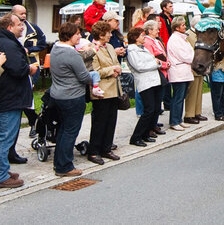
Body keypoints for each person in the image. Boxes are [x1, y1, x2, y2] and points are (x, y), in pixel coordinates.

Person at [50, 22, 93, 177]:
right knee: (70, 131)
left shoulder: (55, 48)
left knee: (63, 130)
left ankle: (59, 163)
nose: (79, 36)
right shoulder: (72, 53)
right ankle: (65, 166)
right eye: (77, 34)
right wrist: (92, 77)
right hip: (72, 96)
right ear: (69, 35)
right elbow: (83, 76)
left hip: (57, 95)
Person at [0, 14, 35, 188]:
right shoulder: (8, 44)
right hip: (10, 97)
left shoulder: (6, 42)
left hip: (8, 96)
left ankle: (3, 170)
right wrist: (30, 68)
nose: (23, 27)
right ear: (9, 27)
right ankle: (1, 176)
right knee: (5, 137)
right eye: (19, 24)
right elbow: (17, 69)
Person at [85, 22, 122, 165]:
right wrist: (112, 69)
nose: (111, 35)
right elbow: (94, 71)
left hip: (113, 89)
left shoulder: (110, 47)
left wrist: (116, 67)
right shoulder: (92, 49)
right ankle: (94, 151)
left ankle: (106, 148)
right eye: (108, 33)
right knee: (100, 121)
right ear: (101, 35)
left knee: (111, 120)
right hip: (101, 90)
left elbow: (115, 62)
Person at [11, 4, 46, 140]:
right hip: (15, 65)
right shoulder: (8, 30)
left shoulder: (33, 29)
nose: (24, 16)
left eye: (25, 13)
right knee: (23, 95)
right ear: (13, 14)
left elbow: (42, 44)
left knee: (26, 92)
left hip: (32, 65)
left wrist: (29, 50)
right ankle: (34, 122)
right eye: (21, 13)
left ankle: (34, 123)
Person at [126, 27, 163, 147]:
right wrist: (155, 64)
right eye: (142, 36)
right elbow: (139, 66)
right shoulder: (132, 51)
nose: (144, 38)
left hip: (153, 81)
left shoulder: (142, 48)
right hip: (145, 82)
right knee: (148, 110)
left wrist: (155, 63)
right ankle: (136, 137)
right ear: (136, 38)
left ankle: (145, 133)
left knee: (154, 109)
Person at [166, 17, 194, 131]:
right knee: (177, 97)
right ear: (177, 27)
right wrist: (194, 59)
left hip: (185, 71)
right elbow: (183, 55)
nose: (184, 26)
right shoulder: (174, 39)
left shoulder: (182, 38)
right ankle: (174, 121)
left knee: (181, 97)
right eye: (182, 25)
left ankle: (178, 119)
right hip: (179, 71)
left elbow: (190, 51)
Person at [141, 20, 169, 136]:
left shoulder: (156, 41)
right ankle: (150, 127)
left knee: (158, 102)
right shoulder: (147, 42)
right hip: (156, 72)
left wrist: (167, 62)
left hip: (163, 72)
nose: (158, 30)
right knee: (154, 103)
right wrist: (163, 64)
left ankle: (154, 124)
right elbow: (152, 58)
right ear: (150, 30)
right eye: (156, 29)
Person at [183, 16, 206, 124]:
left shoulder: (198, 34)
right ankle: (189, 114)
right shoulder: (188, 34)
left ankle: (197, 112)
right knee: (192, 92)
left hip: (200, 65)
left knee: (199, 91)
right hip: (193, 66)